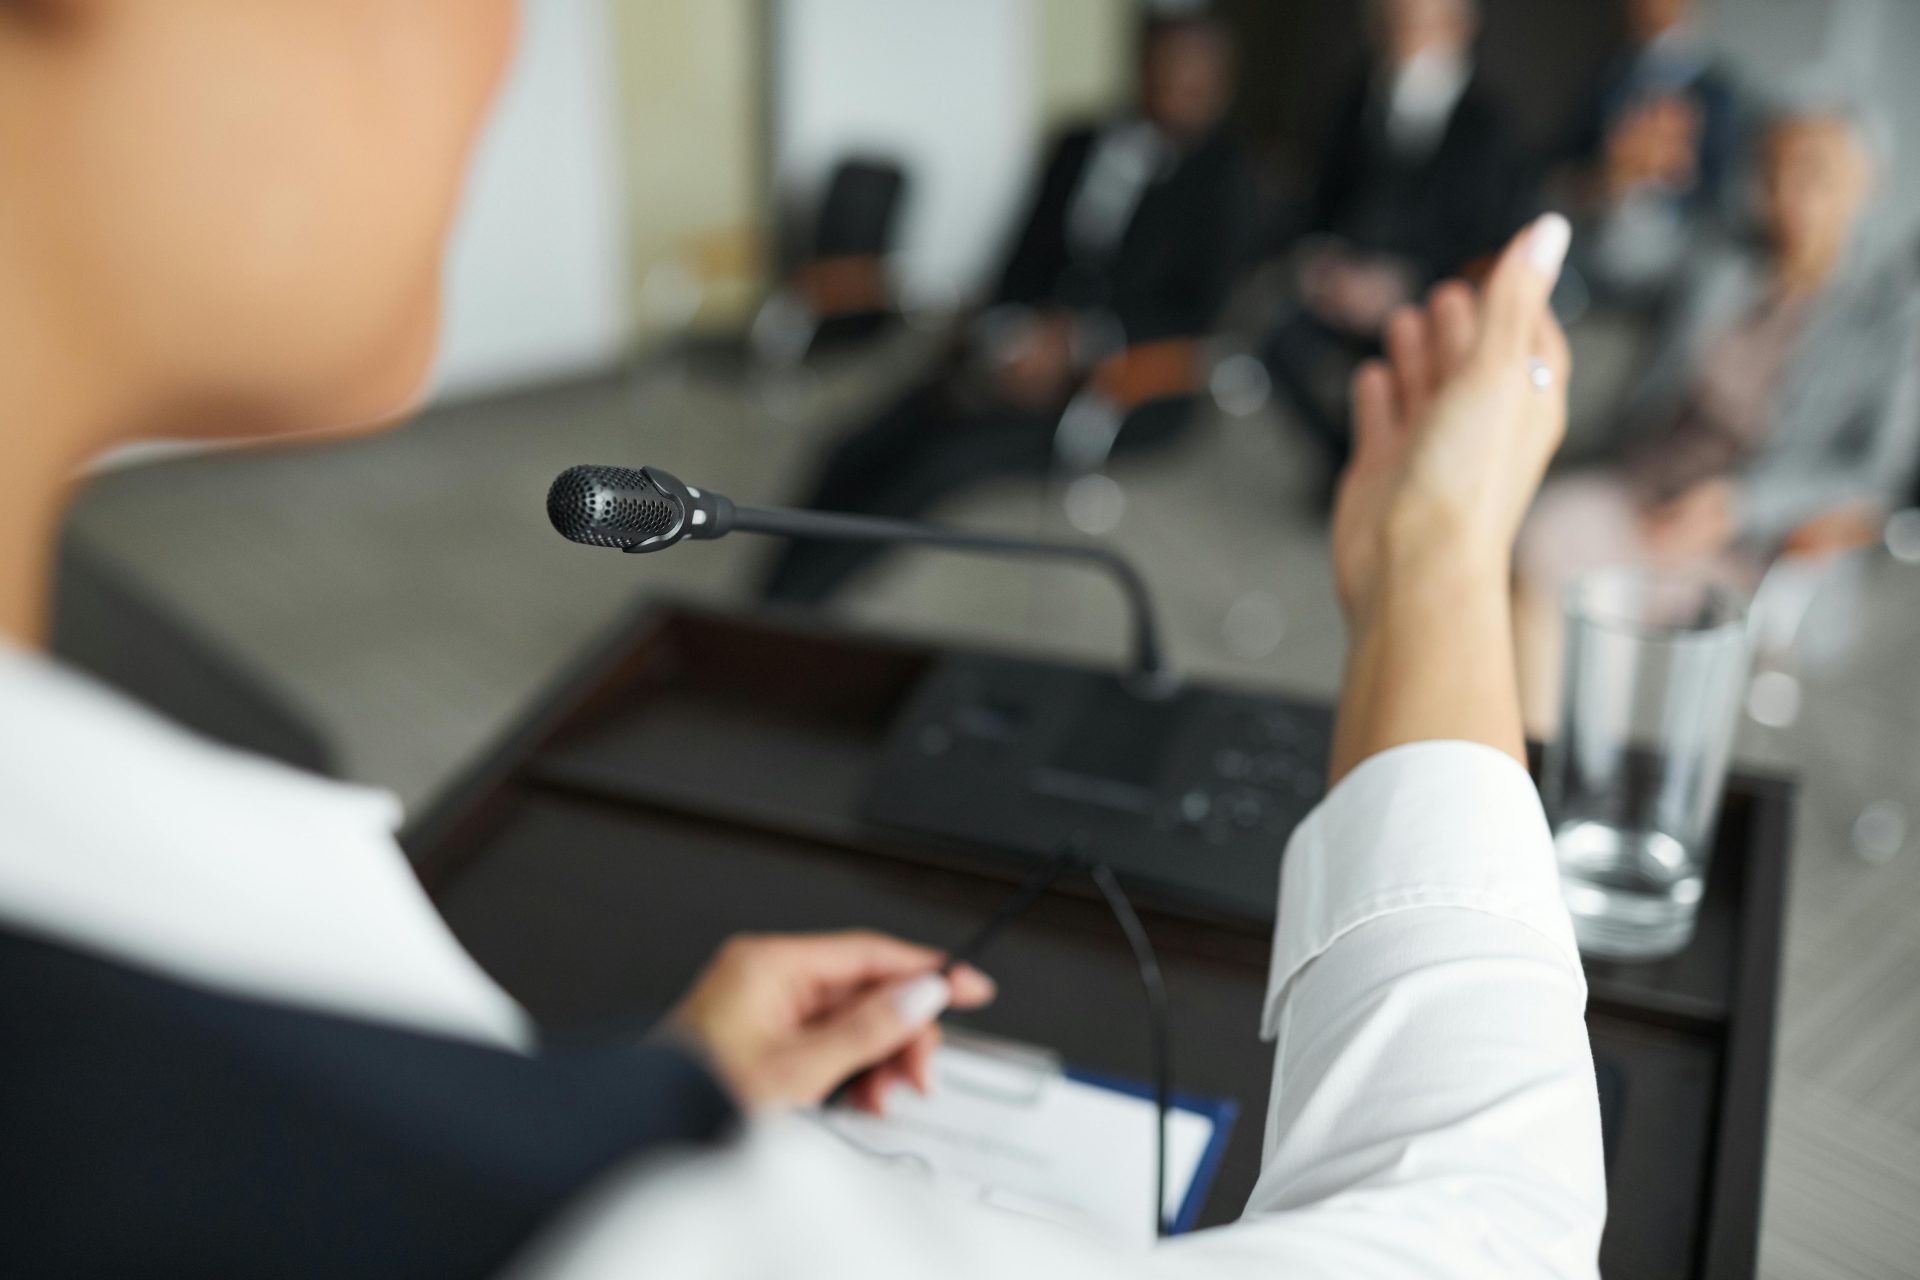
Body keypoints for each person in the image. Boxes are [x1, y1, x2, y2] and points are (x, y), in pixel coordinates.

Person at [0, 3, 1603, 1276]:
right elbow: (1485, 1235)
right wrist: (1440, 554)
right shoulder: (467, 1199)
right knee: (878, 450)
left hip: (1107, 396)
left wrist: (660, 1095)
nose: (502, 35)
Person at [762, 14, 1258, 605]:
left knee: (934, 467)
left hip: (1120, 383)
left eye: (1195, 74)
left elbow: (1198, 313)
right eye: (1167, 66)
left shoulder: (1228, 179)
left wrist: (1077, 346)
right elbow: (1019, 261)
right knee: (855, 446)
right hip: (1016, 350)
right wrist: (1007, 336)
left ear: (1220, 85)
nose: (1178, 86)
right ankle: (763, 605)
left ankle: (794, 614)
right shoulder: (1079, 143)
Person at [1517, 100, 1920, 729]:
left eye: (1814, 171)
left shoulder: (1892, 315)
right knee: (1543, 539)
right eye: (1774, 171)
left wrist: (1740, 503)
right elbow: (1623, 263)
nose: (1788, 193)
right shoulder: (1723, 259)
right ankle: (1545, 757)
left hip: (1754, 538)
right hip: (1644, 489)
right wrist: (1634, 189)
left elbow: (1874, 474)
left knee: (1685, 629)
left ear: (1866, 186)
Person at [1261, 0, 1530, 477]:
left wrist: (1404, 282)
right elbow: (1321, 197)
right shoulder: (1356, 97)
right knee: (1278, 345)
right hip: (1344, 278)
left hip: (1426, 294)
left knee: (1412, 376)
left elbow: (1487, 239)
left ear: (1460, 27)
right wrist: (1320, 260)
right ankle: (1344, 462)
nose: (1408, 37)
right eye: (1398, 22)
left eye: (1423, 23)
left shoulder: (1491, 128)